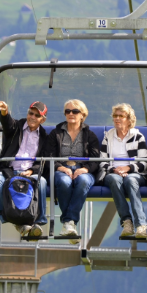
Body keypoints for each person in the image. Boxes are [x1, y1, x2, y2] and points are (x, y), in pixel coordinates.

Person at [0, 100, 49, 237]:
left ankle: (38, 221)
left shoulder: (44, 137)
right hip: (9, 171)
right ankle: (7, 215)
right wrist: (4, 111)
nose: (32, 117)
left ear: (42, 120)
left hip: (29, 173)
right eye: (31, 113)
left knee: (42, 183)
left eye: (37, 115)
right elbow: (7, 123)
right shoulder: (17, 127)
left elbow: (44, 159)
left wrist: (32, 171)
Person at [45, 99, 100, 241]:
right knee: (64, 182)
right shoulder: (56, 133)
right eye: (67, 111)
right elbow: (48, 156)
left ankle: (68, 222)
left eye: (75, 111)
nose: (71, 114)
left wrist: (85, 169)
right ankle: (70, 223)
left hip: (83, 169)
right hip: (61, 168)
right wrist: (61, 167)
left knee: (82, 182)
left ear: (83, 115)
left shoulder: (90, 135)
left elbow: (96, 159)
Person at [97, 103, 147, 239]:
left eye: (121, 116)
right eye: (115, 116)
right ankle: (126, 222)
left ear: (129, 119)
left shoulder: (138, 137)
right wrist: (115, 170)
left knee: (131, 180)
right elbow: (102, 161)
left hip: (134, 174)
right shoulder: (108, 136)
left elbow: (144, 163)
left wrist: (128, 168)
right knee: (115, 180)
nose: (117, 119)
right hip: (113, 173)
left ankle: (141, 225)